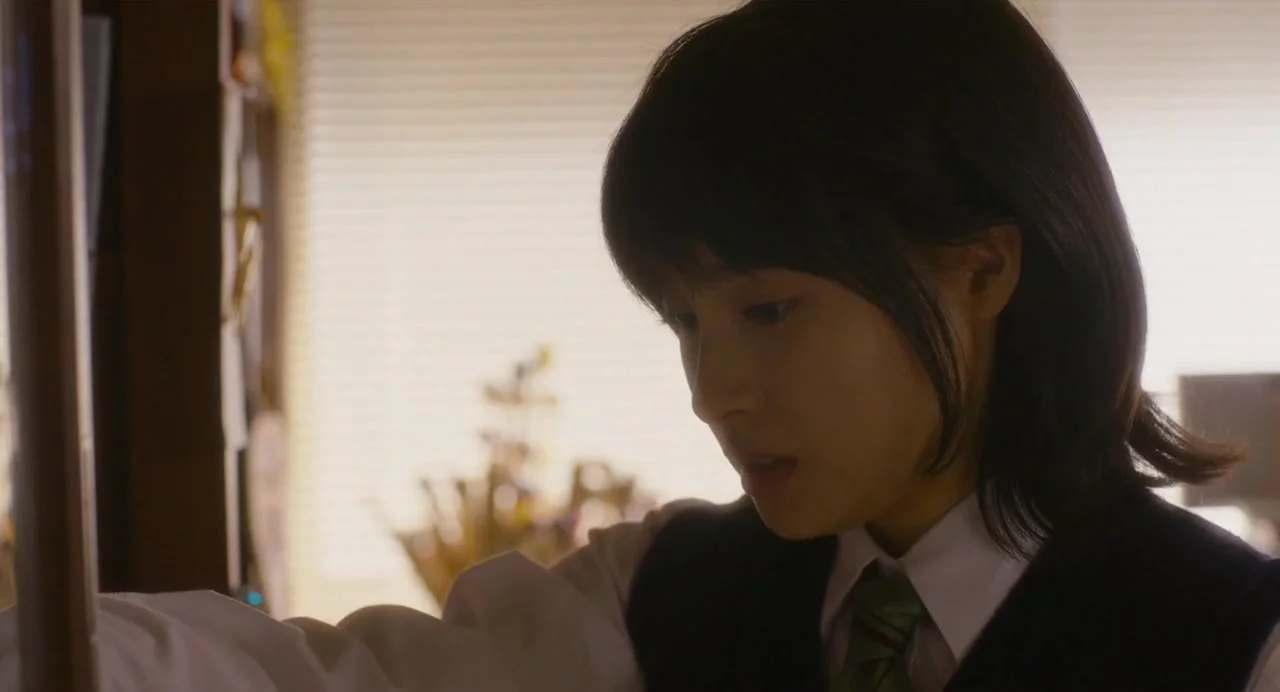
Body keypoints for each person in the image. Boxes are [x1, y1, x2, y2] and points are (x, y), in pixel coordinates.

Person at [3, 1, 1279, 690]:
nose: (713, 391)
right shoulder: (659, 597)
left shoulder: (1231, 644)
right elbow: (304, 680)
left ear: (982, 268)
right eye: (682, 321)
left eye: (767, 309)